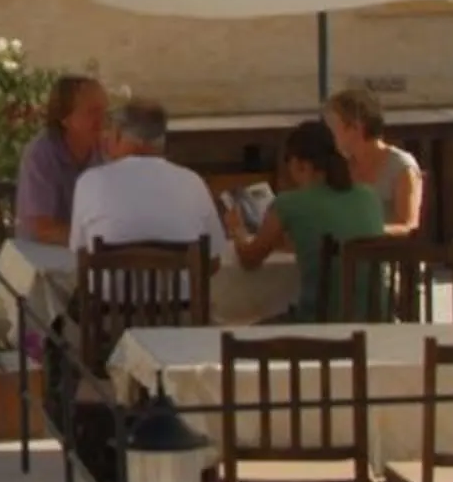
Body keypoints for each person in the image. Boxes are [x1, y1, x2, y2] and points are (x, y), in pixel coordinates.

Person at [223, 119, 386, 321]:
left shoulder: (290, 203)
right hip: (376, 319)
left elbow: (250, 260)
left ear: (300, 164)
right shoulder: (368, 195)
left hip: (319, 321)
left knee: (247, 326)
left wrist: (237, 230)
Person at [69, 100, 228, 263]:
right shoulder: (193, 182)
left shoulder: (90, 182)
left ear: (117, 134)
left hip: (106, 280)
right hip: (178, 280)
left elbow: (79, 254)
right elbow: (213, 259)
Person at [18, 74, 111, 245]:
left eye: (105, 112)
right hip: (42, 254)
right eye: (93, 112)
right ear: (65, 118)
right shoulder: (41, 154)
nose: (103, 121)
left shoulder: (104, 149)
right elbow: (43, 229)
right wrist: (96, 238)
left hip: (88, 251)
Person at [325, 88, 424, 236]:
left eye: (334, 126)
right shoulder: (341, 167)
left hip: (389, 250)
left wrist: (368, 231)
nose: (330, 133)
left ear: (355, 127)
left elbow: (409, 226)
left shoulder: (401, 166)